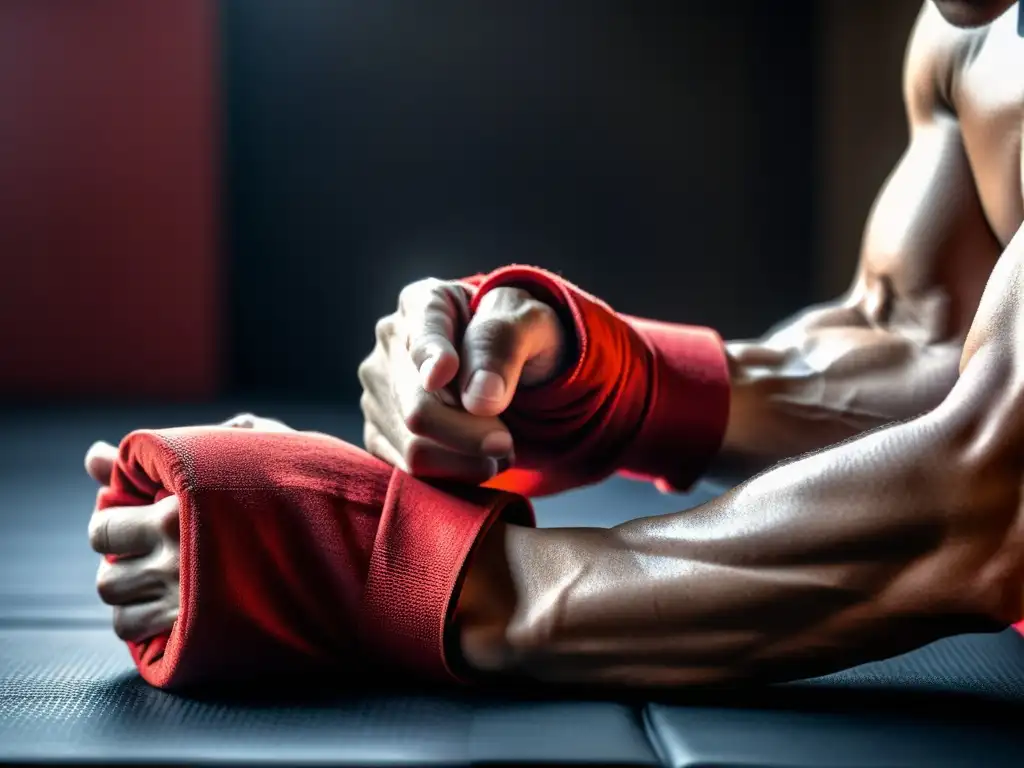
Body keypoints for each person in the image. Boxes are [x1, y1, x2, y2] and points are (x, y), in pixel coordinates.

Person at [88, 0, 1024, 688]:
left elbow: (989, 507)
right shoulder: (970, 29)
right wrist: (628, 391)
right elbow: (926, 340)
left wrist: (391, 564)